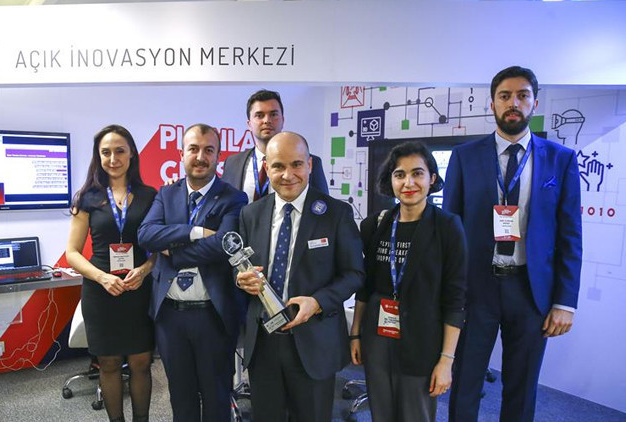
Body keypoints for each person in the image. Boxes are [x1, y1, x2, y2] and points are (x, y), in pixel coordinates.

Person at [444, 66, 582, 422]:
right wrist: (448, 292)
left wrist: (565, 302)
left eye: (522, 95)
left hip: (531, 291)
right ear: (492, 103)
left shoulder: (561, 159)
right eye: (505, 96)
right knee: (466, 380)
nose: (513, 103)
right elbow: (450, 230)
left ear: (535, 102)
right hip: (476, 289)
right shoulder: (465, 156)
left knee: (522, 386)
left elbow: (570, 235)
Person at [235, 131, 364, 422]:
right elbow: (241, 265)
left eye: (296, 164)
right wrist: (240, 278)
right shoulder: (250, 214)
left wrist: (318, 302)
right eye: (278, 166)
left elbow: (355, 273)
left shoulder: (336, 213)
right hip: (263, 342)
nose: (287, 175)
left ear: (310, 165)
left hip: (314, 341)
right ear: (267, 168)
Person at [349, 141, 467, 421]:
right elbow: (365, 287)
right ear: (390, 180)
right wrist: (355, 333)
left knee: (416, 414)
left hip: (423, 337)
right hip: (377, 336)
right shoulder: (375, 225)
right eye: (399, 174)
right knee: (381, 413)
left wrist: (446, 360)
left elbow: (456, 298)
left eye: (417, 173)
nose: (408, 182)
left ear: (432, 178)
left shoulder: (447, 227)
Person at [138, 123, 247, 422]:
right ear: (181, 153)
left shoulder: (234, 198)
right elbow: (146, 235)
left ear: (218, 156)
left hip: (213, 315)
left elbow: (222, 246)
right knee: (181, 397)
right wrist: (196, 232)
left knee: (216, 397)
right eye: (193, 149)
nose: (200, 157)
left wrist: (172, 251)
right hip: (170, 317)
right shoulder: (165, 194)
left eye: (208, 150)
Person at [65, 124, 156, 422]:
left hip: (138, 289)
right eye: (106, 152)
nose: (113, 159)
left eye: (120, 151)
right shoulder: (87, 197)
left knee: (141, 363)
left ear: (132, 154)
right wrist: (102, 277)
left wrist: (145, 269)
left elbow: (159, 249)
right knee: (109, 364)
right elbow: (72, 253)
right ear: (98, 156)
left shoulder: (150, 196)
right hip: (101, 290)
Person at [222, 89, 329, 202]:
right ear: (249, 124)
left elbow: (323, 205)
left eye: (273, 114)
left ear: (283, 120)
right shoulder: (232, 163)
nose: (267, 120)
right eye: (259, 115)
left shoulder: (309, 163)